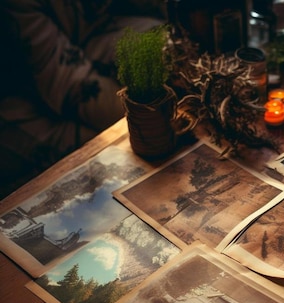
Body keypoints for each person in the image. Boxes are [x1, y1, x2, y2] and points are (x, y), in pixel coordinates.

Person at [0, 0, 167, 198]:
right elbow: (67, 84)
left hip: (91, 40)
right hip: (22, 104)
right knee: (110, 157)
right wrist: (152, 118)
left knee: (161, 49)